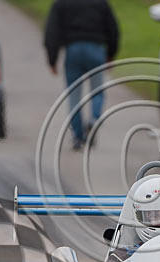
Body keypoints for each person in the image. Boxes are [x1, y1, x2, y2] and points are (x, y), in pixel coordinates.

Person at [44, 0, 119, 150]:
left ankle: (78, 137)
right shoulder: (101, 3)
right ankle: (94, 119)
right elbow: (113, 29)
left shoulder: (61, 3)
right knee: (97, 92)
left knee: (74, 95)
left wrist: (52, 59)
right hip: (96, 49)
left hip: (73, 50)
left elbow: (51, 31)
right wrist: (111, 54)